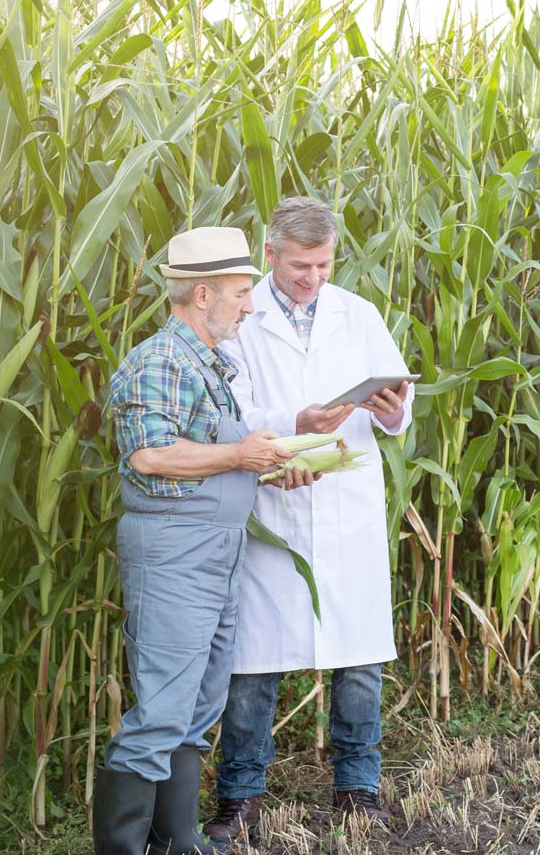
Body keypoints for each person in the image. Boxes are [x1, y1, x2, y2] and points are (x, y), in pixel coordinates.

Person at [97, 227, 316, 855]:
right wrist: (241, 453)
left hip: (219, 550)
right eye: (242, 292)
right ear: (202, 294)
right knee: (162, 711)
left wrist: (271, 464)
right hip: (176, 551)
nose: (250, 304)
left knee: (196, 707)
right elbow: (148, 455)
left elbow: (221, 454)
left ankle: (177, 842)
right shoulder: (160, 359)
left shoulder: (210, 362)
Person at [205, 198, 414, 845]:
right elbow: (230, 409)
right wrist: (296, 425)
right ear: (270, 254)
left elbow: (400, 411)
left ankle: (359, 790)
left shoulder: (361, 315)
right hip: (272, 502)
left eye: (323, 265)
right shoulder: (243, 319)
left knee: (359, 660)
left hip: (345, 507)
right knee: (254, 663)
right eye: (300, 266)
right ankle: (239, 799)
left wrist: (390, 410)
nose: (313, 278)